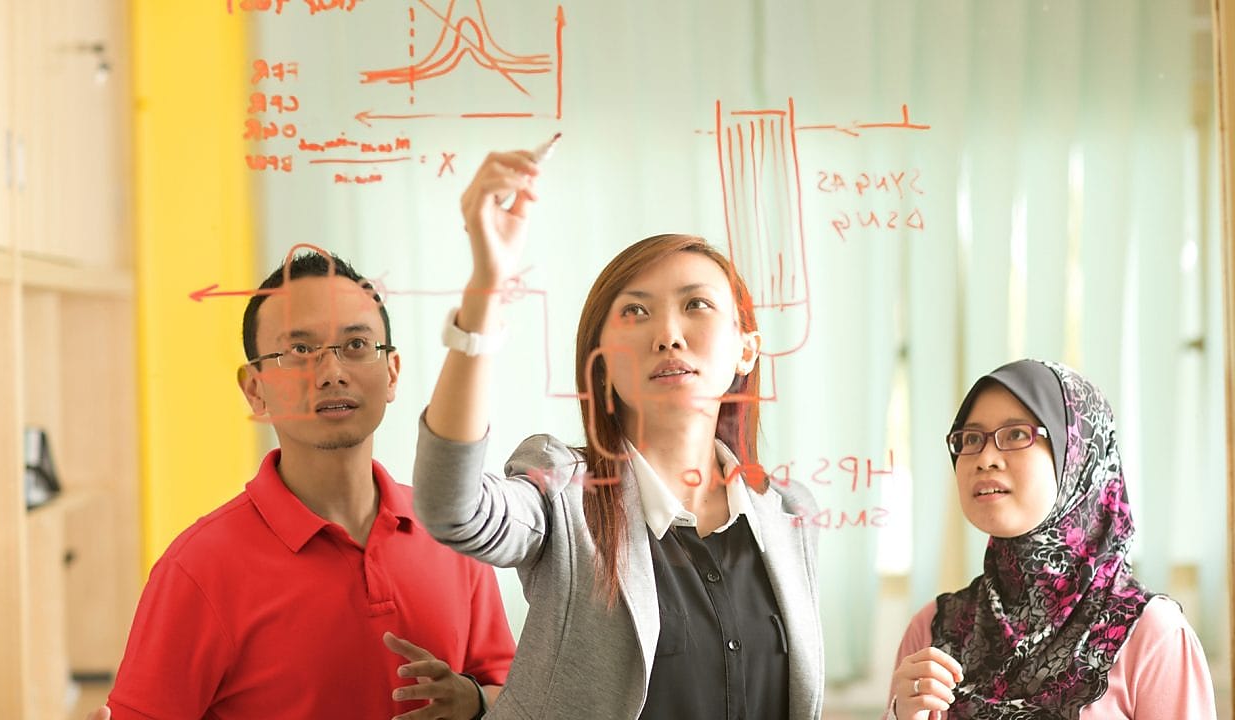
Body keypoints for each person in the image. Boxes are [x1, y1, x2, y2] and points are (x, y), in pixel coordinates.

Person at [410, 150, 825, 719]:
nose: (668, 335)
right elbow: (452, 509)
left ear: (746, 348)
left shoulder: (789, 514)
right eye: (635, 313)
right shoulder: (564, 492)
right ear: (601, 361)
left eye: (697, 305)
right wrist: (487, 287)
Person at [89, 249, 515, 720]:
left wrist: (473, 701)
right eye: (299, 351)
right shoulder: (198, 568)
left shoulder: (451, 532)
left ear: (391, 372)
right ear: (255, 389)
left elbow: (515, 695)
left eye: (356, 345)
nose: (332, 373)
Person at [885, 359, 1217, 719]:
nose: (985, 458)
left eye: (1015, 434)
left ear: (1077, 456)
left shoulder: (1150, 636)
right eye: (971, 439)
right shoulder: (932, 632)